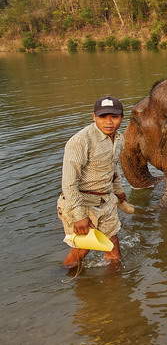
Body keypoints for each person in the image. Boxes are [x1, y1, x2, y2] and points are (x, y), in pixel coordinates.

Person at [57, 96, 128, 268]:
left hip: (106, 200)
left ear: (122, 118)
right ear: (93, 117)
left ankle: (115, 290)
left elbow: (113, 168)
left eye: (114, 117)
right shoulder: (80, 141)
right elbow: (69, 183)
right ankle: (61, 279)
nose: (109, 122)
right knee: (82, 250)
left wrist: (118, 191)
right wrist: (80, 216)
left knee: (113, 249)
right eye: (103, 117)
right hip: (80, 203)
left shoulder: (119, 139)